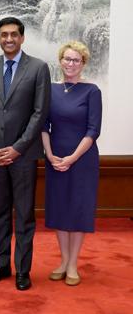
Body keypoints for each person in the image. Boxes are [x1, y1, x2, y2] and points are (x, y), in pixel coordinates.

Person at [0, 16, 51, 291]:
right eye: (4, 35)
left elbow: (40, 113)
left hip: (24, 155)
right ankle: (1, 264)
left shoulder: (39, 68)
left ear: (22, 37)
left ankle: (23, 270)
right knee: (0, 213)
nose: (9, 39)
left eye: (13, 34)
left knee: (25, 215)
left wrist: (17, 148)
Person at [42, 41, 101, 287]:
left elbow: (93, 130)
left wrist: (72, 158)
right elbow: (43, 126)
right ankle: (64, 261)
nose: (71, 63)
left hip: (82, 160)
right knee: (60, 209)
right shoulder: (50, 90)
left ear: (83, 63)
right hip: (55, 159)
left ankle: (74, 264)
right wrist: (49, 155)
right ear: (60, 61)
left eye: (76, 60)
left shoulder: (92, 91)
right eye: (67, 59)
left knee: (77, 211)